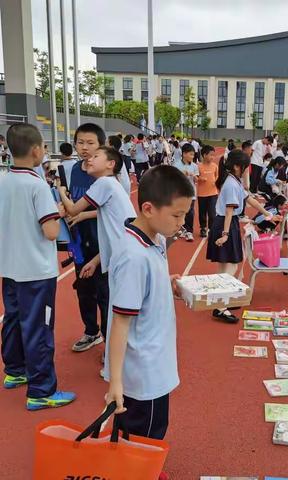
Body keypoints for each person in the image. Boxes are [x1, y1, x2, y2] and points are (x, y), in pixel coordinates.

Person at [105, 166, 194, 480]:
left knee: (146, 428)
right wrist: (116, 381)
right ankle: (138, 472)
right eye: (178, 216)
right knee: (146, 431)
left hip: (154, 360)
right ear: (148, 208)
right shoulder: (134, 256)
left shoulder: (153, 238)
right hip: (143, 370)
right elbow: (120, 324)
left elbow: (141, 294)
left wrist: (166, 282)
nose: (182, 224)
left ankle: (141, 468)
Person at [0, 123, 75, 410]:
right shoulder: (37, 186)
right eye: (44, 147)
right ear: (36, 151)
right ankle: (41, 388)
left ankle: (15, 370)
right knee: (39, 328)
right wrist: (57, 213)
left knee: (13, 319)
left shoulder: (4, 180)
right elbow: (51, 232)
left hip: (10, 267)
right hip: (35, 270)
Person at [206, 149, 278, 323]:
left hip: (226, 223)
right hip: (225, 224)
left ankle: (220, 302)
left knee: (225, 267)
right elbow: (229, 211)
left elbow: (250, 199)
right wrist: (225, 234)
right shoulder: (231, 184)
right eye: (246, 167)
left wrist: (267, 214)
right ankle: (220, 307)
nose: (248, 170)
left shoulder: (234, 181)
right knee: (230, 267)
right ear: (238, 167)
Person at [58, 146, 136, 277]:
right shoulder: (113, 184)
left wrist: (61, 191)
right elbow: (115, 236)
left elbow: (72, 210)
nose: (90, 159)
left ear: (111, 164)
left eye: (96, 156)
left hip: (123, 259)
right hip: (126, 254)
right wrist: (95, 262)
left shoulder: (104, 183)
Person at [68, 123, 110, 352]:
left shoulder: (104, 175)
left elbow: (113, 209)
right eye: (80, 142)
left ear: (100, 145)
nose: (84, 147)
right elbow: (73, 201)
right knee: (83, 289)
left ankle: (108, 339)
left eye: (90, 143)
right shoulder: (74, 169)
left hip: (100, 242)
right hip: (78, 242)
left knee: (104, 293)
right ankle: (91, 332)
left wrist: (82, 214)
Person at [173, 143, 199, 242]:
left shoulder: (195, 166)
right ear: (184, 154)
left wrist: (192, 175)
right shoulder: (176, 165)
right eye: (191, 154)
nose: (192, 157)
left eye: (193, 155)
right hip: (179, 193)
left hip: (191, 193)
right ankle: (180, 228)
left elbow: (197, 180)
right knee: (179, 211)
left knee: (190, 212)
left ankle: (189, 231)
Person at [197, 145, 218, 237]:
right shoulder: (198, 166)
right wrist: (200, 178)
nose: (212, 157)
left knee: (212, 213)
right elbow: (196, 177)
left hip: (213, 193)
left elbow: (217, 176)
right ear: (204, 155)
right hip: (202, 194)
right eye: (211, 155)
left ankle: (211, 229)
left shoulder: (215, 166)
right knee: (202, 213)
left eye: (213, 155)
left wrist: (216, 181)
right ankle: (203, 228)